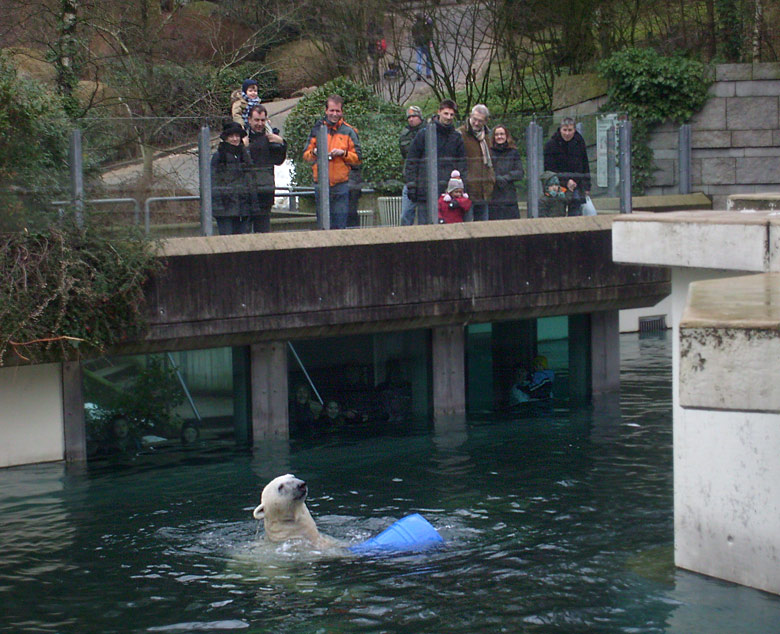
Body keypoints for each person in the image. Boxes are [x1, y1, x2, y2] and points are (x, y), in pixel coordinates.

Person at [303, 94, 362, 230]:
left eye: (337, 111)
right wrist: (315, 152)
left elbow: (358, 159)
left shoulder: (349, 131)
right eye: (331, 110)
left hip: (341, 186)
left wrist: (344, 154)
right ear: (326, 111)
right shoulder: (317, 130)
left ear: (342, 112)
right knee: (323, 227)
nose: (334, 114)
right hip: (322, 186)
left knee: (340, 227)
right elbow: (306, 155)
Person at [403, 99, 466, 221]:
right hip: (425, 189)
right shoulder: (424, 134)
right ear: (439, 112)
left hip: (449, 191)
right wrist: (412, 185)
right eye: (446, 114)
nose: (448, 117)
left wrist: (461, 188)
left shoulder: (456, 137)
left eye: (452, 115)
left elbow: (462, 164)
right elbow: (412, 160)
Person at [210, 120, 257, 235]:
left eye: (237, 136)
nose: (235, 139)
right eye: (231, 136)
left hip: (244, 208)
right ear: (226, 138)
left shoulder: (245, 155)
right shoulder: (219, 156)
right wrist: (219, 207)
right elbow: (213, 181)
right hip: (226, 209)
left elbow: (251, 180)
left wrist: (253, 204)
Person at [246, 105, 287, 233]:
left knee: (263, 233)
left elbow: (279, 160)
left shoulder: (271, 138)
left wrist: (282, 143)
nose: (259, 124)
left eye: (262, 120)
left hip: (265, 192)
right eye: (256, 120)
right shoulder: (242, 138)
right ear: (249, 120)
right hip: (245, 193)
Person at [543, 117, 590, 216]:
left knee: (576, 212)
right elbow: (549, 169)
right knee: (557, 213)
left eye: (570, 130)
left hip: (576, 183)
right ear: (560, 130)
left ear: (574, 130)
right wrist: (566, 180)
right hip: (558, 184)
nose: (567, 133)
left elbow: (584, 164)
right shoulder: (551, 144)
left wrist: (586, 186)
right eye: (565, 130)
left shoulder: (579, 142)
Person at [458, 104, 495, 222]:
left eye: (480, 121)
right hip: (467, 188)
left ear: (485, 121)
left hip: (484, 189)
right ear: (470, 117)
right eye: (474, 119)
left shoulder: (487, 137)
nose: (476, 123)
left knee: (483, 228)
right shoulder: (460, 134)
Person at [488, 124, 524, 220]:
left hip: (509, 194)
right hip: (493, 194)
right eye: (497, 134)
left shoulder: (513, 152)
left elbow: (520, 172)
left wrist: (507, 178)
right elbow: (486, 170)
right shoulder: (489, 152)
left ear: (506, 136)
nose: (499, 137)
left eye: (502, 134)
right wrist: (496, 178)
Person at [399, 105, 425, 225]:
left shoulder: (428, 131)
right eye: (409, 117)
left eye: (414, 116)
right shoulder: (404, 134)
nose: (411, 119)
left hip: (425, 181)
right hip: (410, 180)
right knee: (405, 215)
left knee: (424, 218)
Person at [411, 13, 433, 80]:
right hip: (426, 43)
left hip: (418, 44)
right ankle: (428, 74)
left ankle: (419, 73)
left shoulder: (414, 26)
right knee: (428, 59)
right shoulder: (426, 25)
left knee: (419, 60)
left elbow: (413, 35)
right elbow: (430, 31)